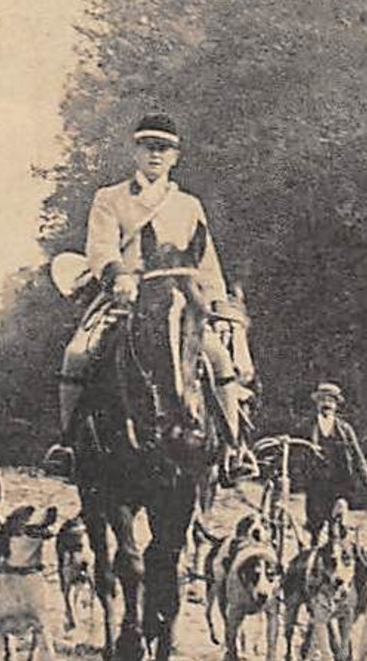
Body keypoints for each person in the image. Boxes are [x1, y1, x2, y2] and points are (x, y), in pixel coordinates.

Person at [42, 113, 249, 479]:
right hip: (125, 293)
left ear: (175, 157)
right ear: (135, 152)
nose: (156, 155)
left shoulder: (189, 205)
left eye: (164, 149)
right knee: (77, 353)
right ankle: (68, 444)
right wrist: (117, 275)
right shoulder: (109, 199)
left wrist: (217, 304)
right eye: (148, 147)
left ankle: (234, 448)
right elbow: (101, 247)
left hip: (180, 297)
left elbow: (206, 260)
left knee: (218, 358)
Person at [295, 383, 367, 545]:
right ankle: (314, 556)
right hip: (316, 485)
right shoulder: (307, 427)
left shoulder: (345, 430)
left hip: (339, 484)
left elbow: (358, 458)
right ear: (317, 403)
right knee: (315, 525)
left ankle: (335, 556)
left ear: (336, 405)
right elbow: (296, 453)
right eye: (323, 400)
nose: (327, 404)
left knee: (337, 525)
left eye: (331, 401)